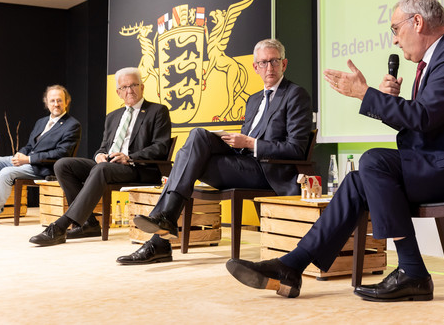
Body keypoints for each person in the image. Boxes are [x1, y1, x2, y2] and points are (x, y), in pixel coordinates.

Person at [226, 0, 444, 302]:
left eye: (395, 29)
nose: (396, 41)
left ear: (417, 22)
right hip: (443, 164)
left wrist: (367, 94)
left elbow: (424, 118)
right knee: (358, 181)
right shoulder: (435, 63)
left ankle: (413, 271)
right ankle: (292, 267)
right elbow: (424, 121)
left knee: (375, 160)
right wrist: (390, 102)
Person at [116, 38, 313, 265]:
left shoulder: (295, 94)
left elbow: (296, 148)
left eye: (274, 62)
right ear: (255, 67)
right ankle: (162, 234)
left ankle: (162, 231)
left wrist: (250, 143)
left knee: (189, 154)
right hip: (243, 163)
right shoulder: (254, 99)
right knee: (197, 139)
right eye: (263, 62)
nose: (269, 68)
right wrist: (236, 142)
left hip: (268, 171)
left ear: (284, 64)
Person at [29, 67, 171, 246]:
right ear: (118, 92)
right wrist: (99, 155)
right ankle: (89, 224)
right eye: (124, 87)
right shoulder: (113, 116)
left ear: (142, 87)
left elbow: (161, 147)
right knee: (63, 165)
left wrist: (129, 156)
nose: (129, 90)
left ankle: (60, 226)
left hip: (139, 167)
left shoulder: (157, 111)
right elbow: (103, 147)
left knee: (102, 169)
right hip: (110, 166)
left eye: (134, 85)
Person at [0, 85, 81, 224]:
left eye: (59, 100)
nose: (56, 104)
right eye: (52, 101)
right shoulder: (41, 122)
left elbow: (61, 153)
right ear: (47, 103)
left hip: (43, 168)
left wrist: (28, 159)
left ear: (67, 102)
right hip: (27, 161)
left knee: (6, 172)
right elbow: (30, 146)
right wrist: (20, 154)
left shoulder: (72, 125)